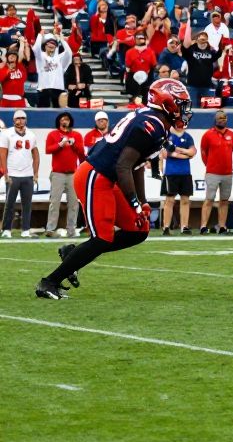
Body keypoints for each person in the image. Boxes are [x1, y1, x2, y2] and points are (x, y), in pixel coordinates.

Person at [35, 79, 192, 299]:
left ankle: (74, 254)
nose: (185, 110)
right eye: (181, 105)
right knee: (102, 237)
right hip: (95, 175)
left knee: (139, 231)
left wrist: (142, 203)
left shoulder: (155, 122)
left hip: (111, 179)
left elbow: (136, 166)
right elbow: (123, 165)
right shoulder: (151, 125)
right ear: (167, 104)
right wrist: (134, 204)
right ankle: (49, 282)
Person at [44, 111, 85, 238]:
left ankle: (71, 230)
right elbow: (48, 150)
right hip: (57, 173)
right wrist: (60, 145)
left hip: (73, 173)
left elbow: (82, 153)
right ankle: (50, 229)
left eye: (66, 119)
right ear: (59, 121)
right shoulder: (53, 134)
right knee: (54, 202)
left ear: (70, 121)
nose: (64, 121)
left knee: (73, 203)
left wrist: (74, 145)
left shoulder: (76, 135)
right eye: (62, 119)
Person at [0, 109, 39, 238]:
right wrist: (6, 173)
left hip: (27, 174)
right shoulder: (7, 134)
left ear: (26, 120)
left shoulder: (31, 134)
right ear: (13, 120)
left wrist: (36, 173)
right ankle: (6, 229)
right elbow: (3, 154)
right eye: (18, 118)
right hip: (12, 173)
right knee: (10, 203)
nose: (20, 120)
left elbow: (36, 154)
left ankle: (26, 229)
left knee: (27, 203)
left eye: (22, 118)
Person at [199, 110, 233, 234]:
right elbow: (204, 152)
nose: (222, 119)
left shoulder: (232, 134)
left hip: (227, 173)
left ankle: (222, 226)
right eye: (220, 117)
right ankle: (203, 226)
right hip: (212, 173)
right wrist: (209, 165)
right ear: (215, 119)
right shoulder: (208, 135)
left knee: (224, 200)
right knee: (209, 199)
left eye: (224, 117)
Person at [160, 121, 196, 234]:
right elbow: (165, 154)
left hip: (185, 173)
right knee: (169, 200)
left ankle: (184, 226)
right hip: (171, 173)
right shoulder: (168, 136)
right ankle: (166, 227)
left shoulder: (188, 137)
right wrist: (184, 155)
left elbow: (193, 152)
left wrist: (177, 150)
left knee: (185, 200)